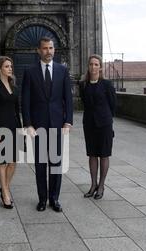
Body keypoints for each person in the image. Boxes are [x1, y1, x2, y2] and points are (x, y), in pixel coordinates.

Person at [22, 37, 73, 213]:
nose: (48, 51)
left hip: (58, 125)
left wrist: (68, 121)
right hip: (37, 127)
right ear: (39, 50)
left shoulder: (62, 71)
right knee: (41, 165)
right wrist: (28, 124)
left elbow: (68, 98)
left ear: (54, 50)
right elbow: (25, 101)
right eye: (45, 48)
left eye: (51, 48)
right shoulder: (30, 72)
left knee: (56, 164)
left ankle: (55, 198)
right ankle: (42, 199)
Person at [79, 54, 117, 200]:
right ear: (88, 67)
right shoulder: (83, 84)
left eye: (96, 64)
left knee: (104, 155)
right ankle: (93, 184)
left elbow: (113, 105)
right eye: (91, 64)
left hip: (104, 124)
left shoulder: (107, 84)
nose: (93, 67)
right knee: (92, 154)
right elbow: (84, 102)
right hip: (89, 124)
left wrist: (106, 119)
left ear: (100, 67)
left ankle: (101, 186)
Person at [0, 56, 23, 209]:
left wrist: (20, 129)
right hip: (0, 128)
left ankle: (5, 188)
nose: (10, 69)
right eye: (7, 66)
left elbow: (17, 109)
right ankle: (6, 193)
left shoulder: (14, 85)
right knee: (3, 162)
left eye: (11, 66)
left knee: (13, 161)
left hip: (14, 127)